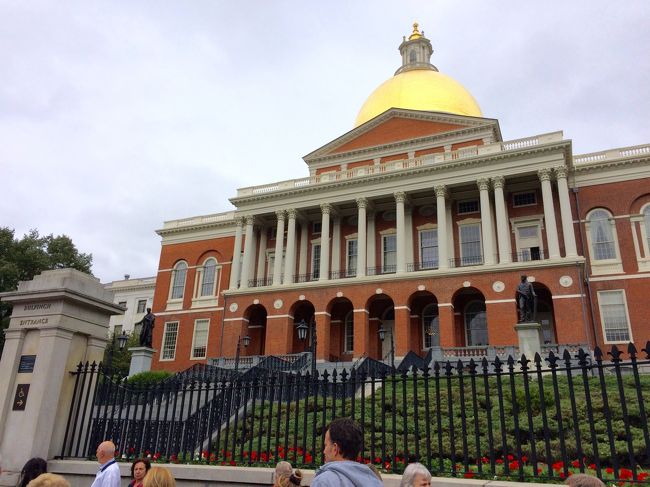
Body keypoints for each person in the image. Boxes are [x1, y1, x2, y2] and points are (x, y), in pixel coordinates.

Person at [311, 417, 383, 487]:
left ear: (335, 448)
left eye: (326, 445)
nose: (324, 451)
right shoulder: (374, 480)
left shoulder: (324, 481)